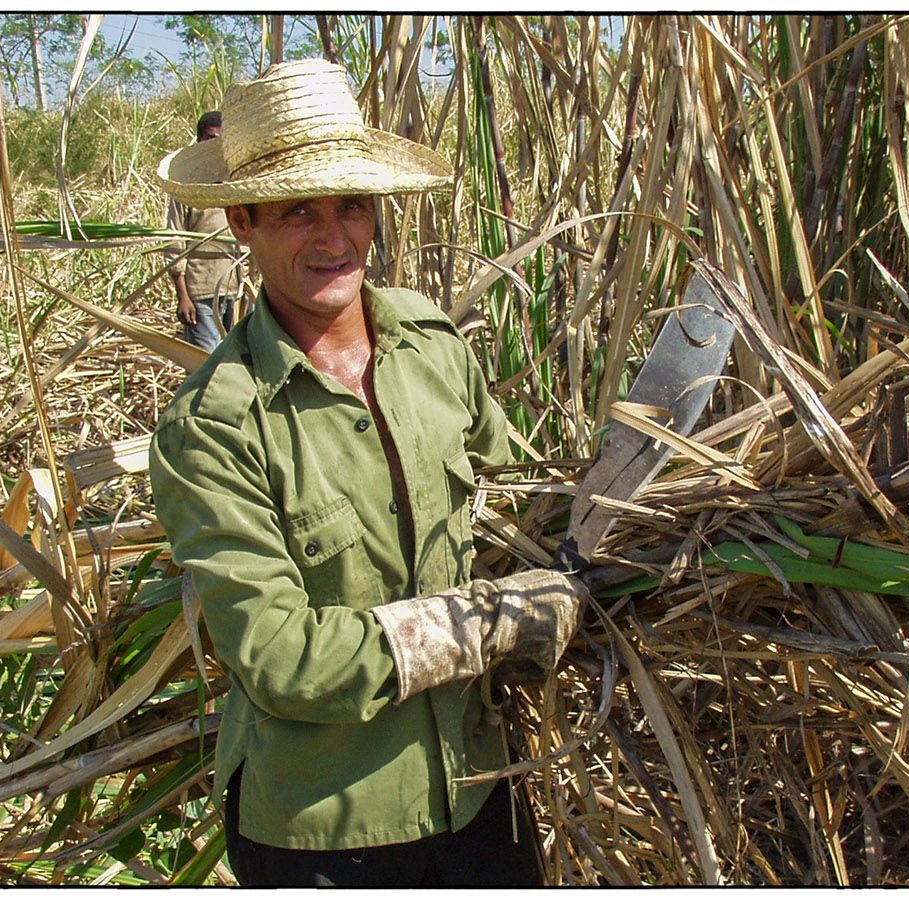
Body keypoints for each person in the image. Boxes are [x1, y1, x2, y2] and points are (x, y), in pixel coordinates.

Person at [148, 59, 588, 887]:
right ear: (241, 222)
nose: (333, 236)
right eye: (295, 211)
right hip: (326, 826)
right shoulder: (215, 425)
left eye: (351, 202)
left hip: (478, 786)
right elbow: (281, 659)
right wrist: (491, 624)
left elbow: (514, 503)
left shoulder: (432, 347)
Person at [165, 110, 248, 352]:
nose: (216, 145)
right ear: (200, 142)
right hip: (200, 290)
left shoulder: (236, 186)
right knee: (205, 362)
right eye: (210, 138)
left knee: (235, 365)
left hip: (235, 288)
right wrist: (183, 296)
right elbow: (174, 241)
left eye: (221, 139)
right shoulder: (186, 189)